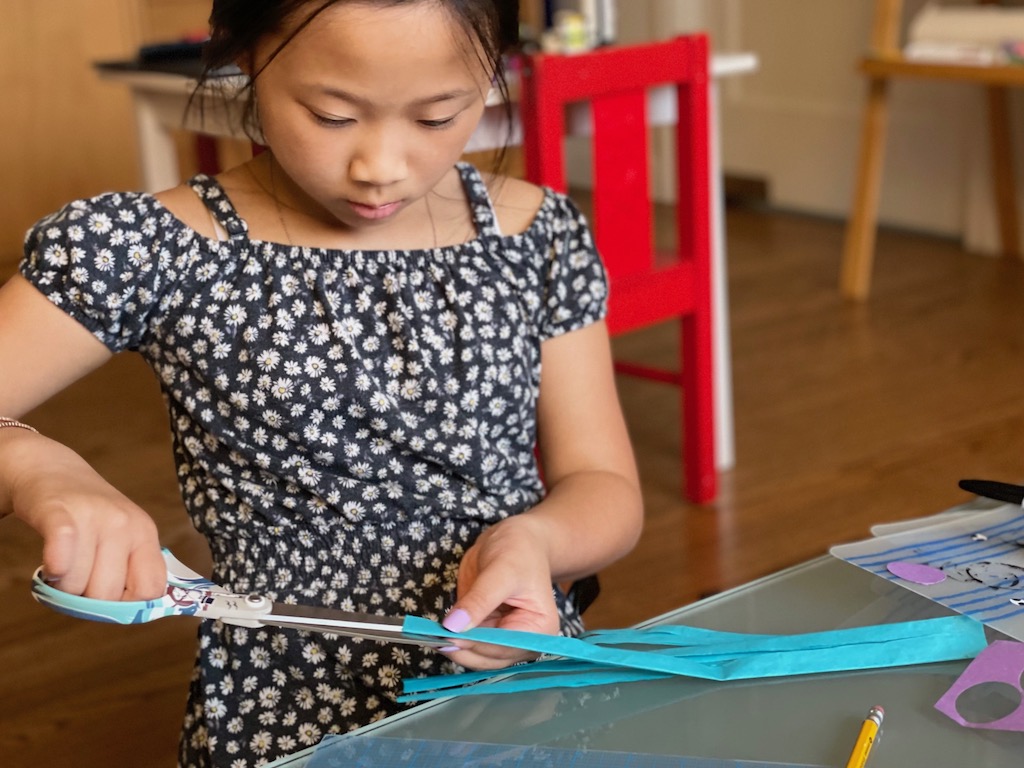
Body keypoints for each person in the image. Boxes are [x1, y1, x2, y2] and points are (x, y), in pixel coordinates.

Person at [0, 0, 643, 765]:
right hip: (285, 707)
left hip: (518, 687)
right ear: (248, 54)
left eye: (438, 117)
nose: (382, 166)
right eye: (332, 115)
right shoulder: (158, 248)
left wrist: (535, 540)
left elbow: (604, 484)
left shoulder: (537, 236)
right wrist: (36, 467)